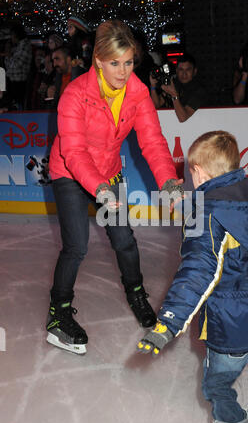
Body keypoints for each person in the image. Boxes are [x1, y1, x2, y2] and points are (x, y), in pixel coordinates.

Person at [137, 130, 248, 423]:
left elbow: (198, 272)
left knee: (218, 384)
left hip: (232, 325)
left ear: (198, 172)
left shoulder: (207, 214)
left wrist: (167, 323)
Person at [47, 19, 183, 355]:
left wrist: (167, 181)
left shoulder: (137, 93)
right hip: (70, 172)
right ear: (97, 60)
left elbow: (152, 140)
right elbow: (74, 151)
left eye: (129, 62)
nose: (122, 72)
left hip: (106, 173)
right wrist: (100, 189)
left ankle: (136, 293)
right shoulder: (75, 94)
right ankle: (57, 314)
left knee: (123, 238)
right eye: (114, 63)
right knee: (76, 245)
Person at [150, 53, 208, 122]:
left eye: (188, 70)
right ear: (177, 71)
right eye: (181, 69)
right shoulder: (174, 83)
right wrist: (153, 86)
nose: (184, 74)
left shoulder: (199, 90)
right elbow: (156, 105)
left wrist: (174, 95)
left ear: (194, 71)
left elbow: (182, 118)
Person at [3, 23, 32, 110]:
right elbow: (8, 66)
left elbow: (16, 65)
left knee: (18, 106)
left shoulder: (25, 46)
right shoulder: (17, 47)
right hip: (14, 82)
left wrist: (8, 56)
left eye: (11, 35)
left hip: (20, 83)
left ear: (16, 35)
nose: (11, 38)